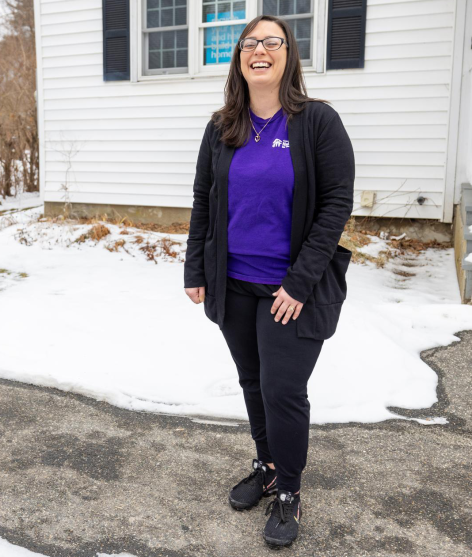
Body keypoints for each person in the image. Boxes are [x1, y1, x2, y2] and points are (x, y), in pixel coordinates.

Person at [183, 15, 355, 549]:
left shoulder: (317, 122)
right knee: (253, 382)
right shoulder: (222, 127)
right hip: (232, 283)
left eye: (272, 42)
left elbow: (335, 206)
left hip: (290, 290)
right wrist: (195, 269)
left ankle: (289, 492)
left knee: (283, 391)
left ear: (289, 55)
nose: (260, 50)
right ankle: (267, 465)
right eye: (250, 43)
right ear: (239, 58)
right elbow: (203, 202)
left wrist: (300, 283)